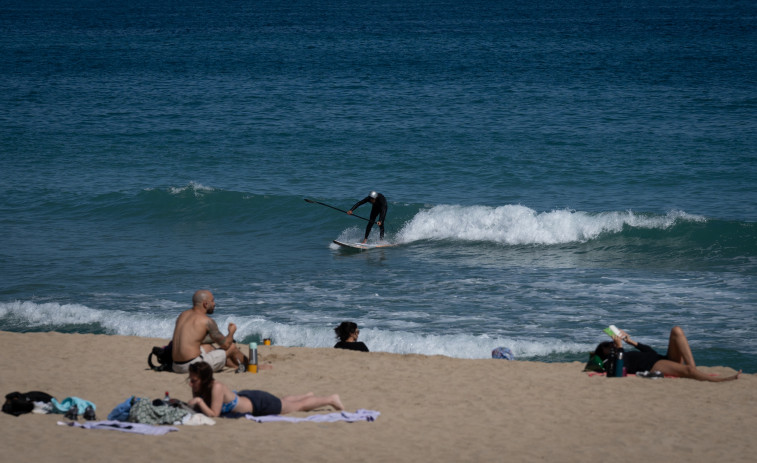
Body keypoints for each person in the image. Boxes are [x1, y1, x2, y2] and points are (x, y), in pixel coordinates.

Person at [187, 362, 344, 417]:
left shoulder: (216, 387)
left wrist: (199, 402)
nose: (191, 384)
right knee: (283, 402)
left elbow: (214, 415)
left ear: (205, 379)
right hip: (248, 398)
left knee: (299, 407)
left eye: (193, 380)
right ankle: (305, 395)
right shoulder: (202, 387)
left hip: (259, 404)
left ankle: (331, 399)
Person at [593, 326, 741, 382]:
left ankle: (692, 368)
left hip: (662, 358)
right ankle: (720, 379)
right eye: (606, 345)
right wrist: (619, 348)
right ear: (604, 353)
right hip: (654, 366)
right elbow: (620, 371)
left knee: (677, 330)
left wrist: (631, 342)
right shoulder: (615, 359)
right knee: (688, 371)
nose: (610, 343)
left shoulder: (625, 351)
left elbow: (651, 352)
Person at [170, 290, 247, 374]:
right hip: (194, 367)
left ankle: (235, 366)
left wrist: (214, 339)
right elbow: (226, 345)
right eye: (212, 301)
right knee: (232, 347)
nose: (214, 304)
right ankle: (251, 366)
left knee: (207, 346)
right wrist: (231, 332)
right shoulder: (207, 321)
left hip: (176, 366)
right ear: (205, 304)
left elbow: (195, 338)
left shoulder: (183, 315)